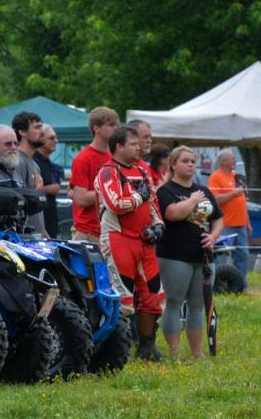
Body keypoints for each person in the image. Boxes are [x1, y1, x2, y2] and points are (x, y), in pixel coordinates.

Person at [96, 125, 165, 361]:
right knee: (122, 298)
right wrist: (139, 196)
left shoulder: (142, 171)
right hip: (118, 239)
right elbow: (115, 203)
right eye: (134, 144)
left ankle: (147, 347)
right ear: (118, 146)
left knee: (154, 296)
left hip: (144, 243)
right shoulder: (107, 171)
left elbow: (153, 203)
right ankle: (115, 351)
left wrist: (157, 227)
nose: (139, 147)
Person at [156, 146, 224, 360]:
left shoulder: (203, 190)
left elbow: (219, 217)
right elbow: (173, 214)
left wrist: (213, 237)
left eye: (193, 161)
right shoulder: (166, 191)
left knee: (197, 305)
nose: (190, 165)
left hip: (203, 256)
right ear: (173, 165)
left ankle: (197, 353)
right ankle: (174, 353)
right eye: (185, 161)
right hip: (174, 254)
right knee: (174, 302)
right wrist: (193, 200)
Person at [0, 124, 47, 235]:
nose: (14, 148)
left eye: (16, 143)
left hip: (15, 239)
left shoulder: (14, 172)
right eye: (8, 144)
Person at [69, 107, 119, 243]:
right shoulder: (83, 158)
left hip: (110, 230)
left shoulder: (115, 157)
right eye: (110, 125)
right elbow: (81, 199)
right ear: (96, 128)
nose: (115, 128)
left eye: (116, 125)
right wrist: (112, 190)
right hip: (88, 233)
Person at [206, 148, 251, 276]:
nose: (235, 160)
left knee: (243, 256)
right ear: (224, 161)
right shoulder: (215, 177)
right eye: (232, 158)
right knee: (221, 256)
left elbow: (242, 201)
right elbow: (215, 200)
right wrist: (234, 193)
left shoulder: (236, 176)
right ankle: (219, 283)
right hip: (225, 225)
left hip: (241, 224)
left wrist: (248, 222)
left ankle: (240, 283)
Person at [32, 124, 65, 237]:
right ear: (40, 139)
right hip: (38, 226)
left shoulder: (49, 164)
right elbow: (27, 190)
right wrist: (47, 189)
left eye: (56, 138)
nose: (55, 141)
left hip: (51, 223)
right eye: (51, 138)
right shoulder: (33, 162)